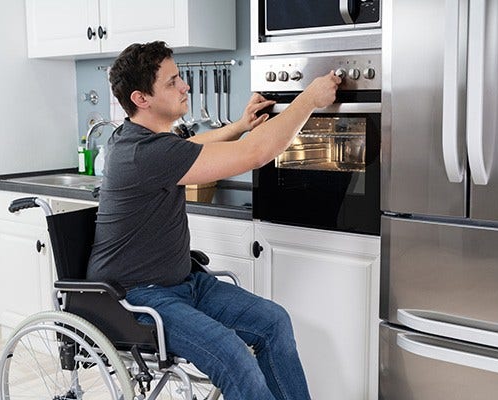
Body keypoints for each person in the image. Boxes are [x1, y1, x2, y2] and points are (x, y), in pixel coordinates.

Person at [86, 41, 339, 400]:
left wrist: (239, 125)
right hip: (139, 300)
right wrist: (310, 99)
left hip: (184, 284)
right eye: (173, 81)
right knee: (235, 359)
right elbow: (257, 153)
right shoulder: (144, 153)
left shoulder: (140, 138)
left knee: (274, 322)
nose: (185, 85)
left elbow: (195, 145)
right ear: (142, 98)